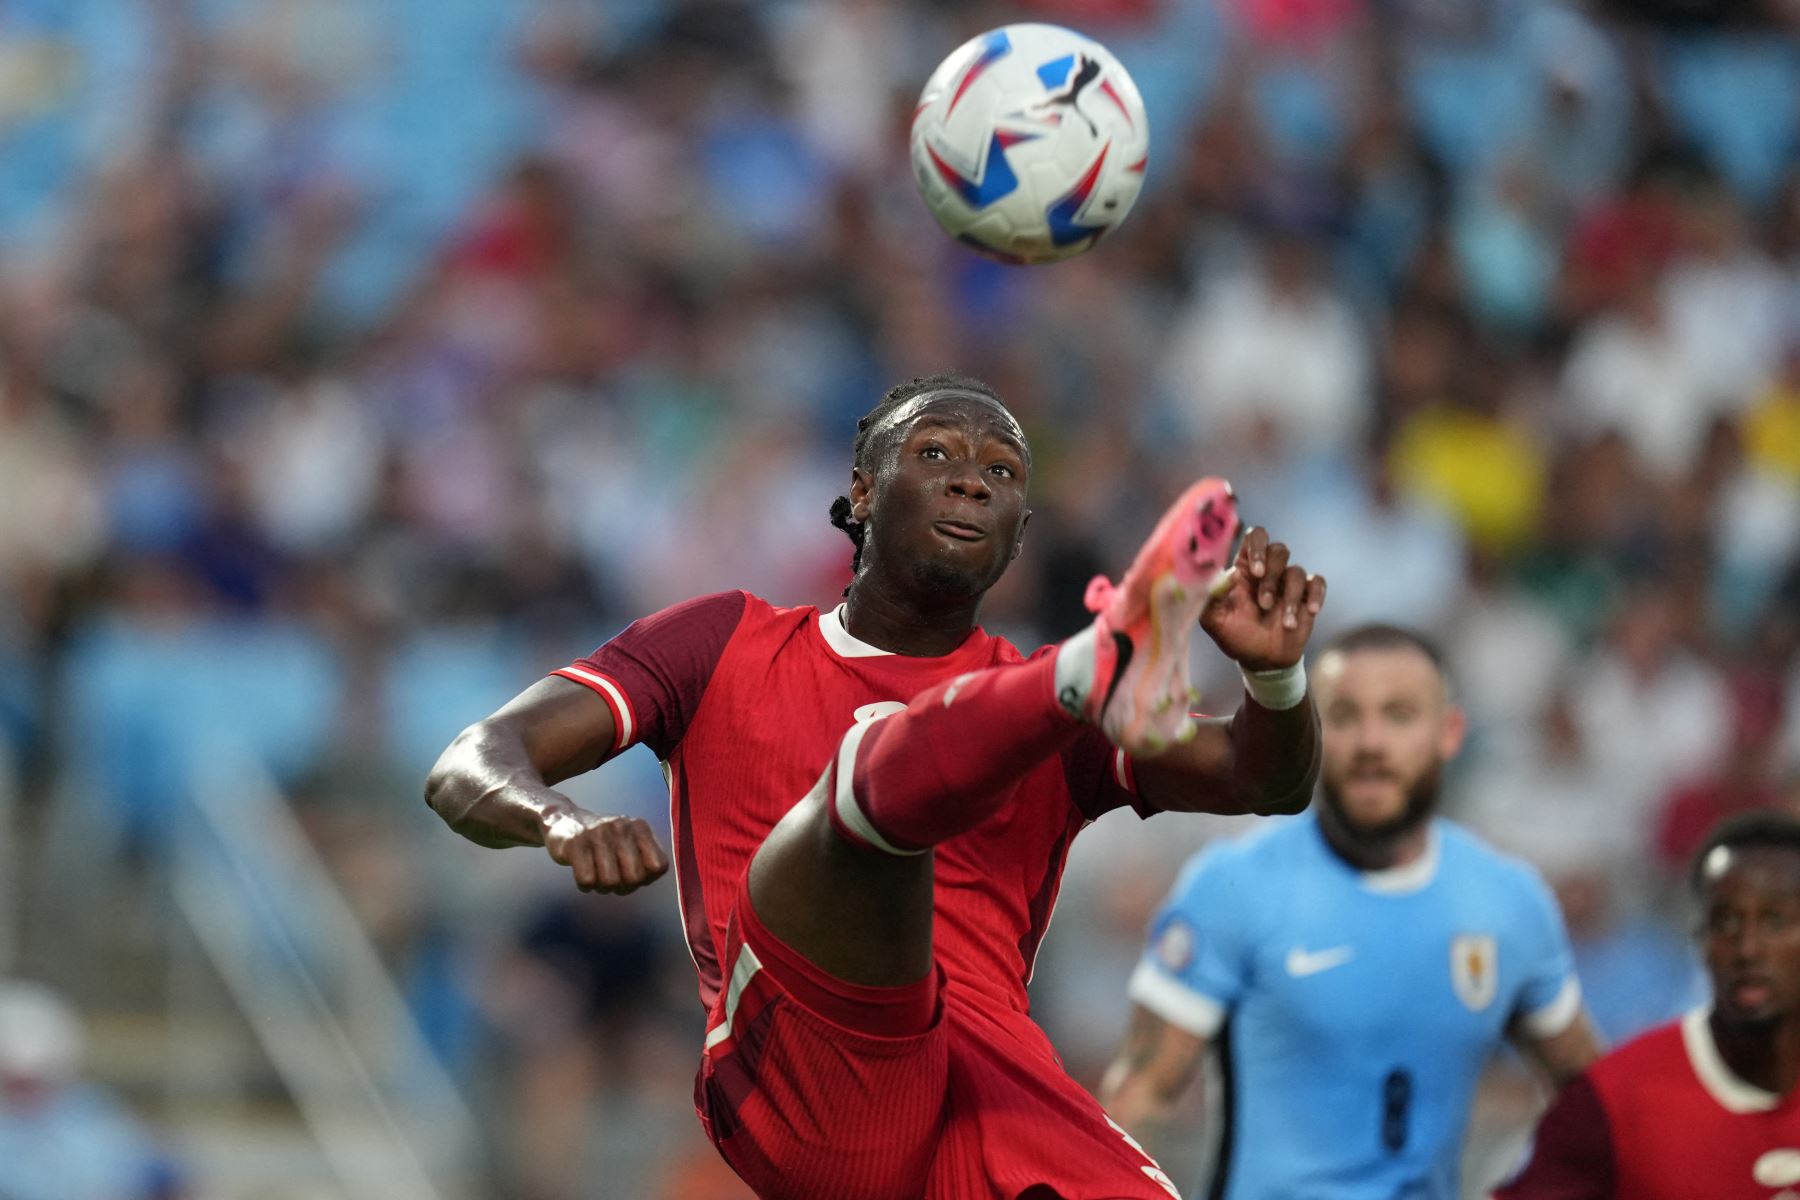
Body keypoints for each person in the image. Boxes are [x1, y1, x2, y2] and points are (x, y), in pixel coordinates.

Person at [426, 373, 1328, 1199]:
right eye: (934, 452)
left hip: (985, 1083)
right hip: (803, 1075)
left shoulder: (1071, 719)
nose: (972, 480)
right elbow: (472, 760)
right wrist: (556, 818)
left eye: (1003, 472)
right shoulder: (723, 643)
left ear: (1018, 536)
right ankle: (1080, 666)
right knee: (855, 811)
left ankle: (1082, 668)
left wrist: (1276, 683)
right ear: (861, 492)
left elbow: (1265, 778)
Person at [1100, 623, 1602, 1200]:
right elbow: (1139, 1096)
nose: (1370, 743)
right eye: (1343, 716)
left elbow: (1594, 1103)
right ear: (1310, 733)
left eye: (1399, 715)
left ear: (1450, 732)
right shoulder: (1234, 887)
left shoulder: (1508, 903)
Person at [1495, 811, 1800, 1199]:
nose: (1748, 949)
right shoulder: (1615, 1098)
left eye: (1775, 922)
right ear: (1699, 940)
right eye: (1725, 923)